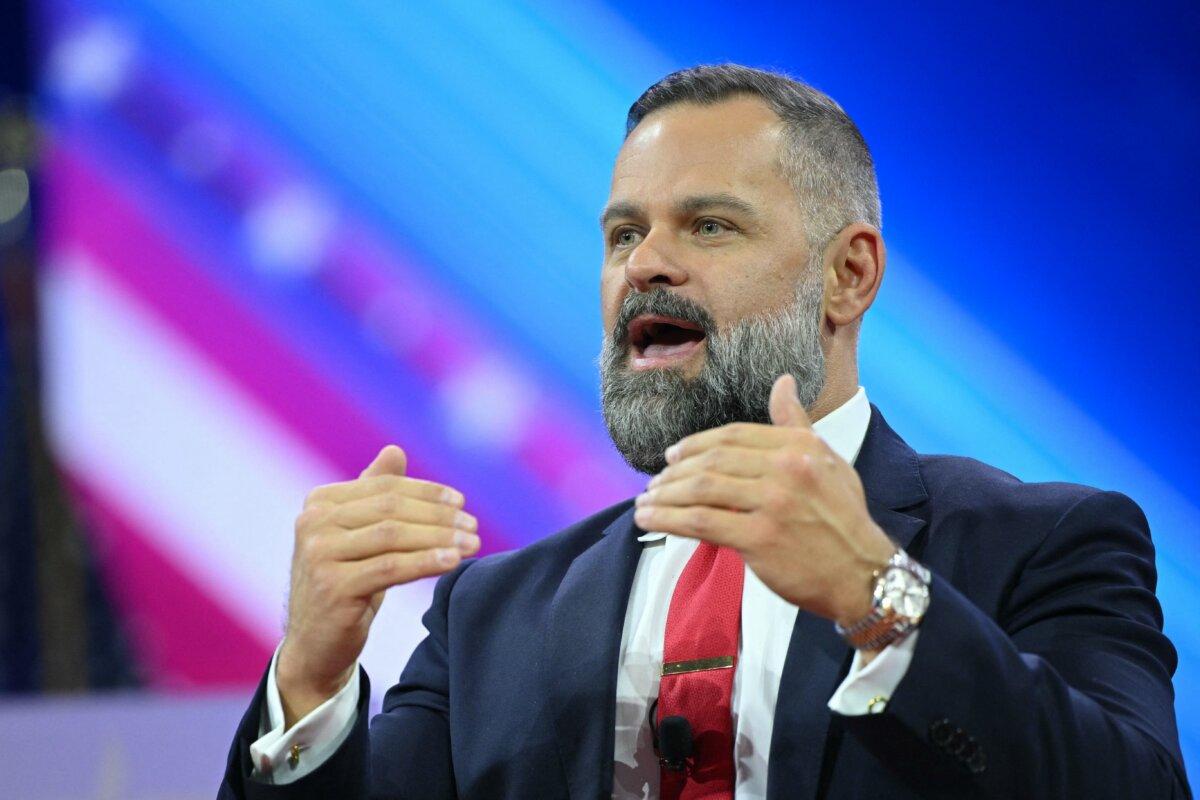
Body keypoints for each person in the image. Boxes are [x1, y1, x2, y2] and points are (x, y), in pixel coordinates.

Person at [217, 64, 1189, 799]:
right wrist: (308, 676)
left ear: (848, 275)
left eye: (709, 225)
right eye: (620, 234)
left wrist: (874, 594)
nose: (647, 264)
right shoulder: (491, 613)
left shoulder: (1040, 540)